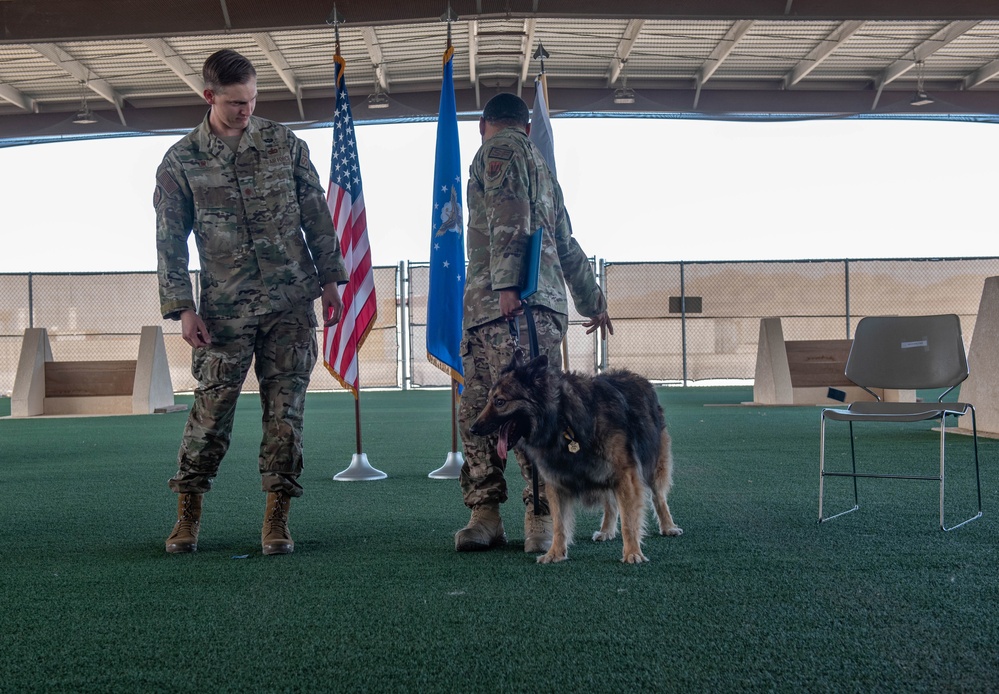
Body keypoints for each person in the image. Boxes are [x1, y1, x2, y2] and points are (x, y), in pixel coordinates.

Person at [154, 49, 349, 556]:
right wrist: (182, 307)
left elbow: (317, 215)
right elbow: (170, 240)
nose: (247, 110)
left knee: (286, 416)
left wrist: (331, 280)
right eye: (236, 102)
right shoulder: (181, 161)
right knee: (210, 414)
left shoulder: (285, 144)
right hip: (222, 312)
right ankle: (188, 517)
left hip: (289, 304)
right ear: (209, 96)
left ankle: (277, 518)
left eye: (253, 99)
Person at [455, 92, 613, 553]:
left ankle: (533, 516)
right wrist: (593, 301)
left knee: (510, 412)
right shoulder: (544, 169)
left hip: (506, 307)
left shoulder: (497, 149)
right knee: (498, 412)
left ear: (483, 124)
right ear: (527, 126)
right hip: (526, 307)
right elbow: (566, 242)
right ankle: (496, 516)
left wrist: (506, 287)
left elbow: (508, 214)